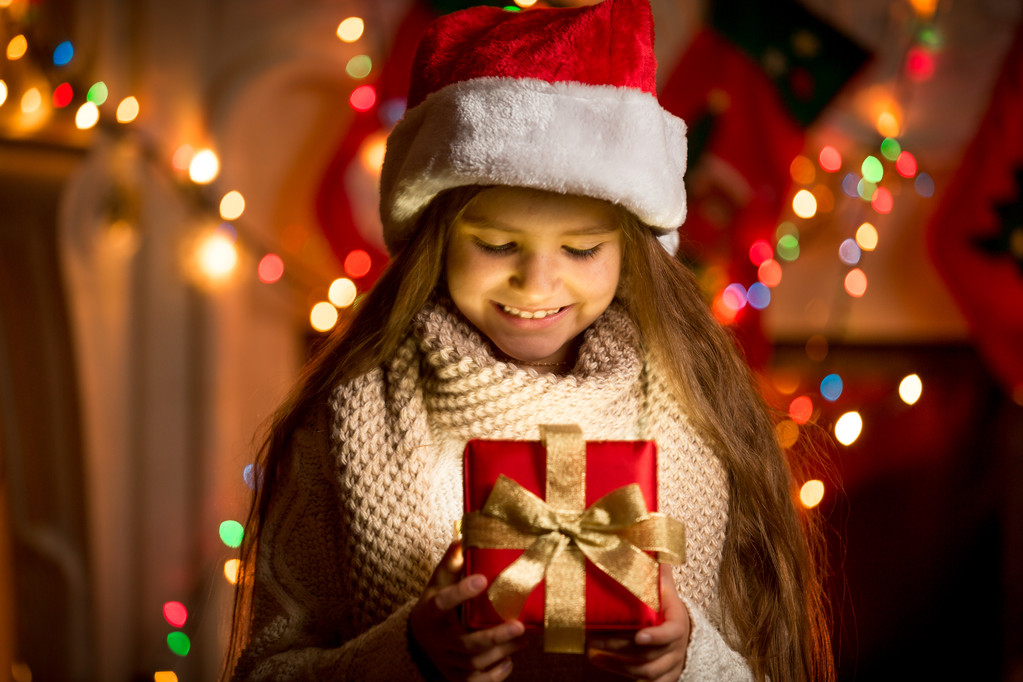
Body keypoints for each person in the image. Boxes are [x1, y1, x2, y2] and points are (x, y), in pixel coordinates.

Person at [222, 0, 834, 680]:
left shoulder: (694, 415)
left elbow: (761, 665)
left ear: (632, 250)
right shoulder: (350, 420)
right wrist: (413, 653)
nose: (537, 283)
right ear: (434, 238)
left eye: (581, 248)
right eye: (495, 244)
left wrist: (687, 659)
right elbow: (269, 671)